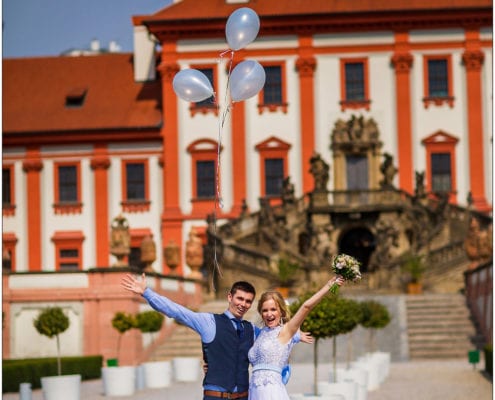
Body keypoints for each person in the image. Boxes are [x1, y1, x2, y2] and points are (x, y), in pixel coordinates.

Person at [120, 273, 312, 400]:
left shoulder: (252, 330)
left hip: (244, 397)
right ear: (230, 297)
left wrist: (295, 335)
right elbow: (177, 312)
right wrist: (147, 293)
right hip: (215, 396)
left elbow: (274, 339)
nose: (243, 304)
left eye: (248, 301)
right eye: (239, 298)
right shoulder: (208, 322)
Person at [248, 276, 345, 400]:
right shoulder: (260, 333)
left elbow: (306, 307)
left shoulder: (286, 331)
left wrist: (328, 286)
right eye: (265, 310)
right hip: (253, 392)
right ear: (261, 313)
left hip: (271, 393)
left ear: (281, 311)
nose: (269, 314)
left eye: (273, 309)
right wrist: (297, 337)